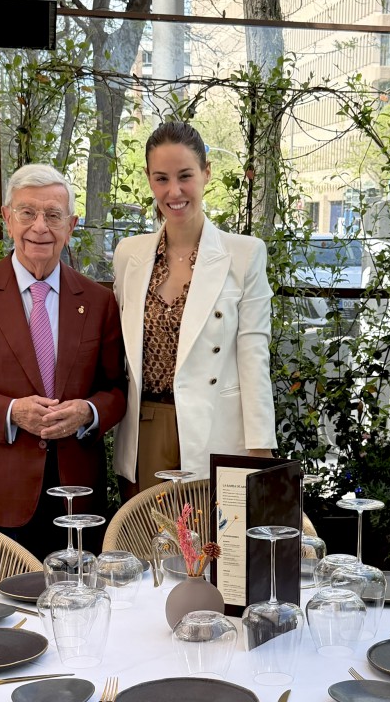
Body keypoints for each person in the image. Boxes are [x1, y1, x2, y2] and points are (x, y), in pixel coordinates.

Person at [0, 164, 126, 560]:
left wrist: (87, 413)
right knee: (2, 599)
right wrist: (12, 411)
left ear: (70, 226)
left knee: (80, 596)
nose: (40, 227)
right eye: (28, 213)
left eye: (53, 215)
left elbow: (117, 390)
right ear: (7, 218)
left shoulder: (98, 301)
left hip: (77, 499)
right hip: (1, 495)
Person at [112, 121, 277, 500]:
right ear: (149, 180)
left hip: (217, 429)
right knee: (149, 533)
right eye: (162, 178)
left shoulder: (244, 254)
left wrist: (260, 446)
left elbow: (254, 357)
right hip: (145, 427)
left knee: (212, 534)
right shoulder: (129, 255)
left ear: (206, 173)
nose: (174, 191)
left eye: (185, 176)